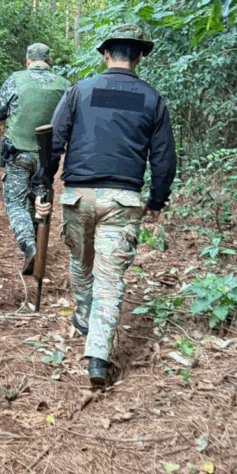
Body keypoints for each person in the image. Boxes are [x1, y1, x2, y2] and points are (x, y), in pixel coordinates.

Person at [45, 24, 177, 387]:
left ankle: (84, 320)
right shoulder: (151, 99)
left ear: (106, 55)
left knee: (81, 262)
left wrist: (44, 184)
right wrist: (156, 200)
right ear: (139, 58)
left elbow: (53, 141)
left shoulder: (79, 91)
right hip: (122, 200)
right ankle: (98, 357)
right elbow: (164, 159)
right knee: (109, 277)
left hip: (77, 197)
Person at [0, 43, 71, 274]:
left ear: (27, 61)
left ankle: (29, 247)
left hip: (18, 152)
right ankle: (38, 246)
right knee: (40, 199)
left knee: (16, 202)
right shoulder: (64, 85)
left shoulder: (16, 80)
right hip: (48, 156)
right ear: (49, 61)